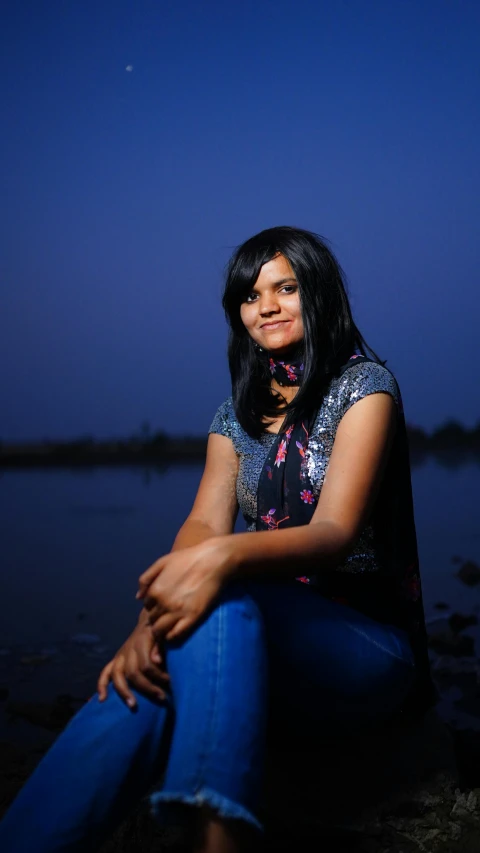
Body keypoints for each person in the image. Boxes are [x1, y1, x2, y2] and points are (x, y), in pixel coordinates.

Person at [0, 226, 436, 852]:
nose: (267, 306)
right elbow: (203, 523)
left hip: (364, 647)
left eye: (285, 287)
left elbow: (335, 533)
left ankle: (216, 829)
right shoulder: (235, 415)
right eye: (250, 294)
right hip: (259, 635)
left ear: (319, 293)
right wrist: (151, 622)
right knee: (156, 669)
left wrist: (218, 561)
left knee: (220, 593)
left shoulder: (364, 388)